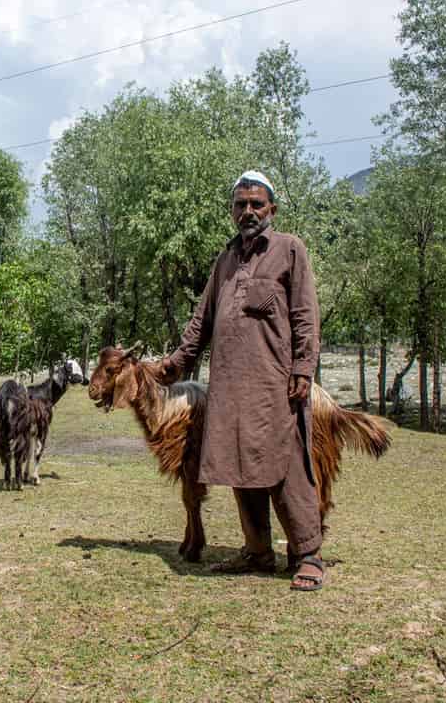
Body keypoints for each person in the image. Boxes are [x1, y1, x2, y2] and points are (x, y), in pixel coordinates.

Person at [156, 170, 326, 591]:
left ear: (272, 209)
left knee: (287, 467)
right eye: (240, 204)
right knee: (240, 466)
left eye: (256, 204)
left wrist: (303, 368)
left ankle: (308, 555)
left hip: (276, 384)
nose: (247, 211)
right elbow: (202, 321)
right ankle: (257, 551)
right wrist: (177, 363)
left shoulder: (290, 250)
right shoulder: (225, 260)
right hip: (230, 386)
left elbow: (306, 315)